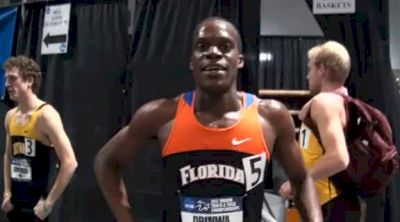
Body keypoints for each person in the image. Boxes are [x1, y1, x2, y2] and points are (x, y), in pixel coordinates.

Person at [94, 17, 322, 222]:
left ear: (239, 60)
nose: (213, 52)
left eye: (225, 46)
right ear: (192, 62)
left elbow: (301, 179)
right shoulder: (162, 115)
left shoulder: (270, 117)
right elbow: (106, 162)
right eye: (202, 47)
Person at [279, 41, 363, 221]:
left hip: (331, 204)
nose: (308, 76)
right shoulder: (339, 101)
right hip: (335, 202)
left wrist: (298, 183)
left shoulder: (325, 103)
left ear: (322, 69)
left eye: (310, 69)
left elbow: (339, 158)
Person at [1, 56, 78, 221]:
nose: (7, 84)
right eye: (6, 78)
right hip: (15, 205)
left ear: (29, 80)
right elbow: (8, 156)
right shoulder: (10, 116)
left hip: (36, 207)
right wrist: (7, 192)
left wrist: (48, 204)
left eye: (13, 78)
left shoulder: (45, 115)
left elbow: (70, 162)